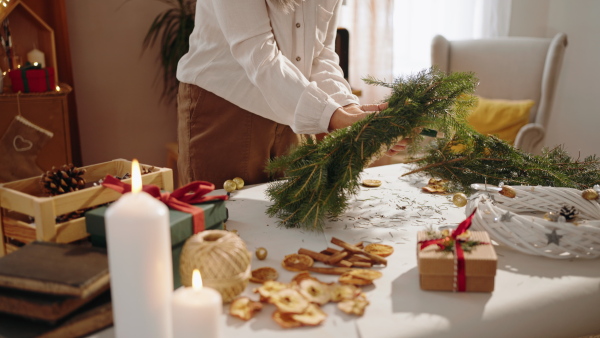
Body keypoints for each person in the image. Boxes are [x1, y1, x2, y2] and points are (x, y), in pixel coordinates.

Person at [176, 0, 407, 186]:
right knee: (224, 234)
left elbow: (320, 53)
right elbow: (257, 52)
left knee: (291, 230)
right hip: (227, 108)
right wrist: (338, 118)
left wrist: (349, 109)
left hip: (295, 110)